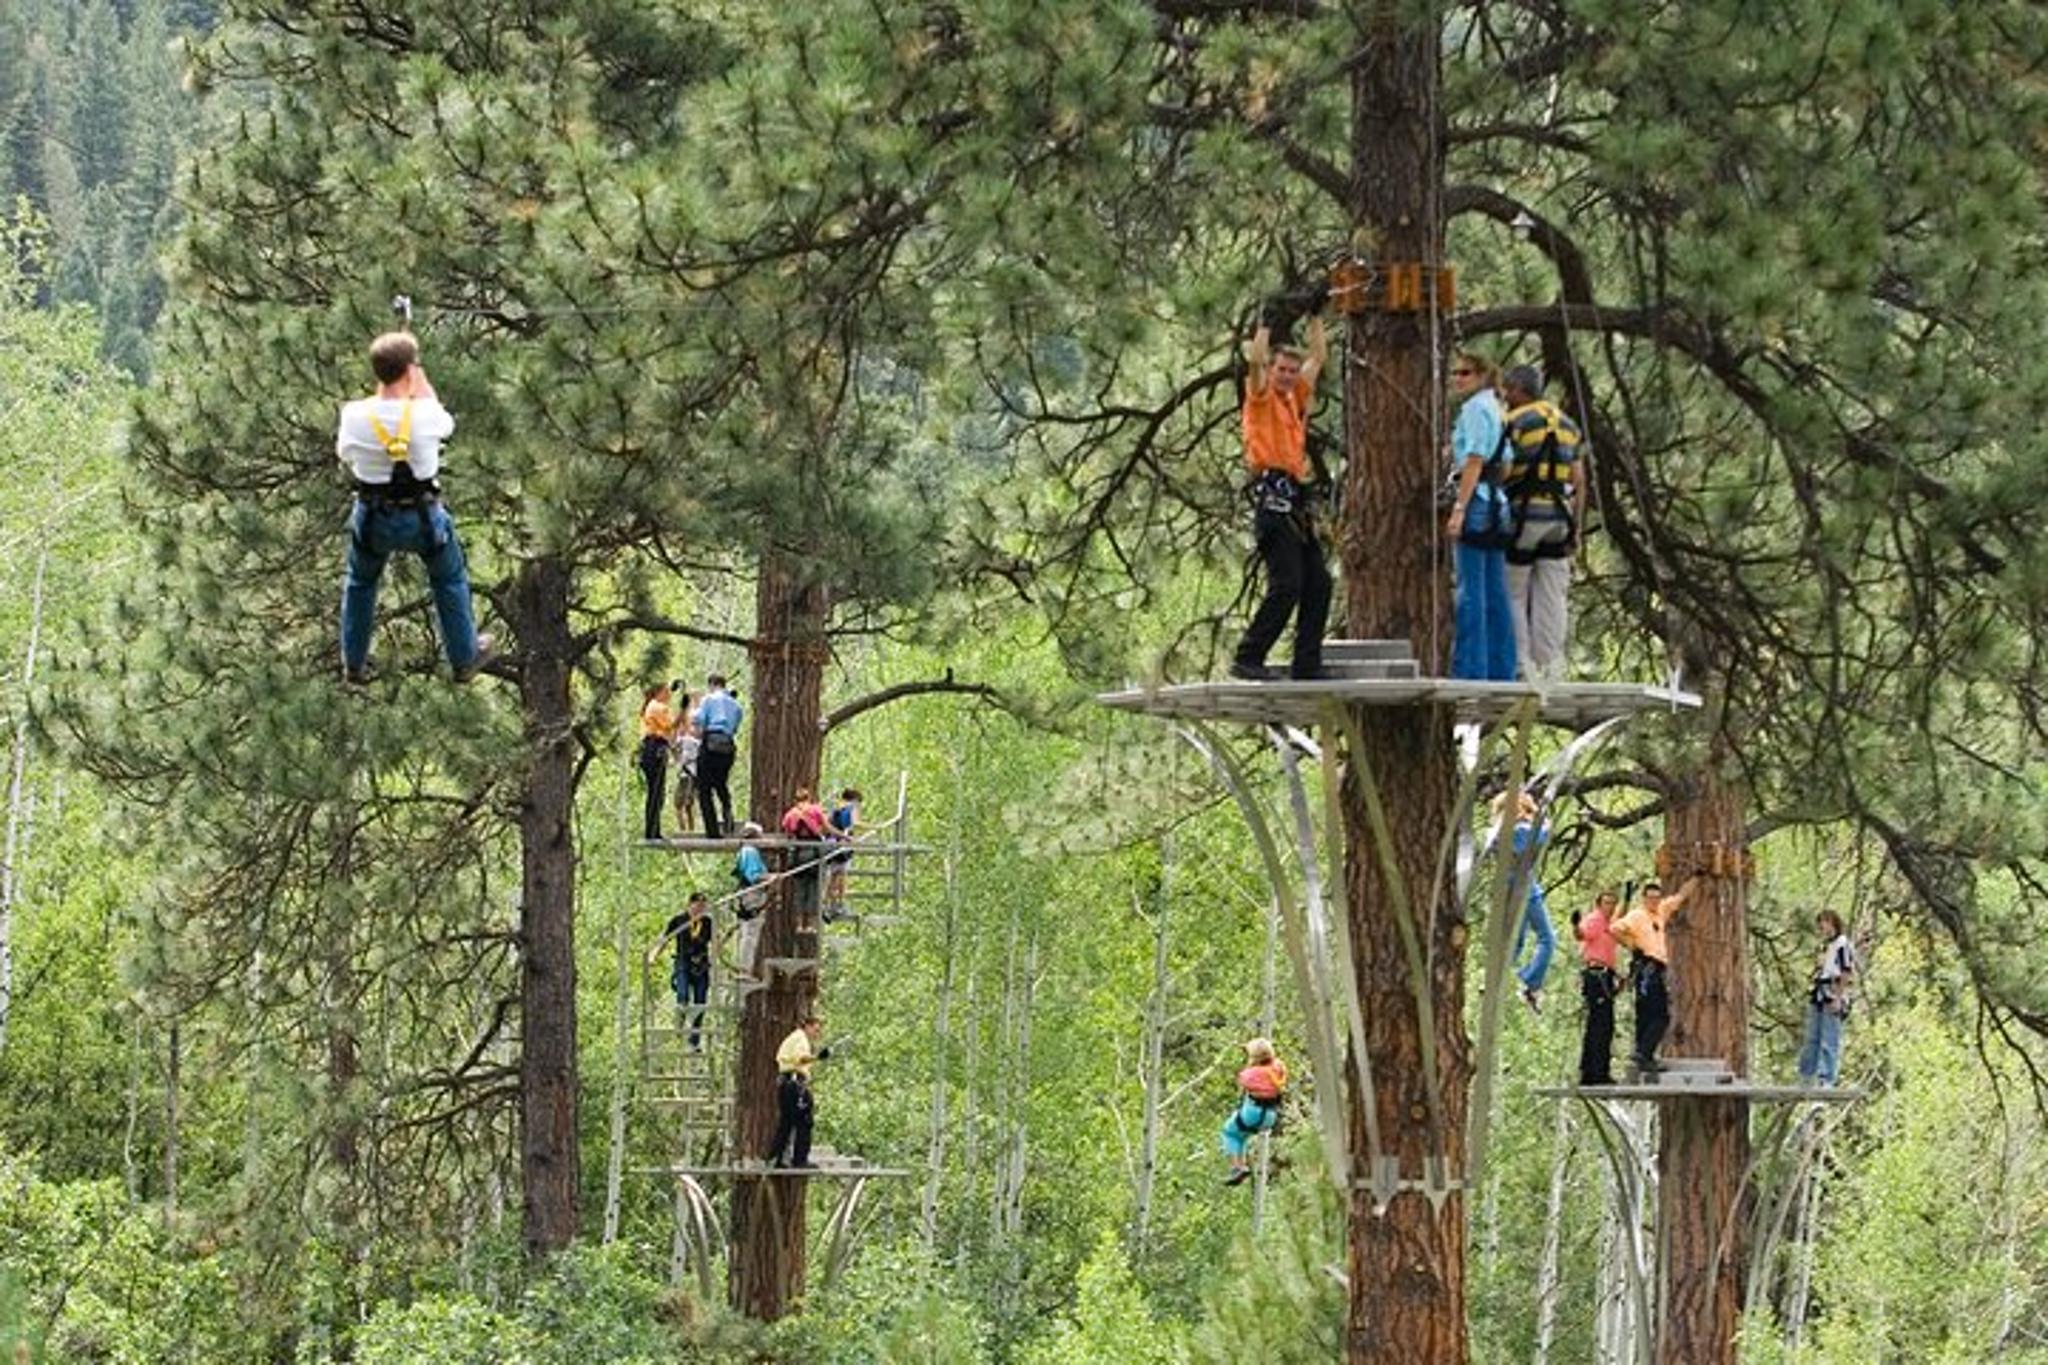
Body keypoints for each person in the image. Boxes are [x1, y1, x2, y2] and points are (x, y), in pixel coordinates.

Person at [337, 331, 493, 685]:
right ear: (410, 371)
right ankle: (464, 657)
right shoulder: (425, 413)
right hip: (423, 518)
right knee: (448, 579)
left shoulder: (354, 415)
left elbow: (345, 454)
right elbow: (446, 425)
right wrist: (420, 385)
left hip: (373, 517)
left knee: (361, 582)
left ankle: (354, 663)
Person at [1230, 316, 1333, 683]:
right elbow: (1256, 361)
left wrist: (1317, 317)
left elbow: (1318, 358)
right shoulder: (1260, 399)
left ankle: (1307, 663)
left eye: (1292, 370)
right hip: (1273, 498)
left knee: (1319, 582)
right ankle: (1249, 655)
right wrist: (1266, 326)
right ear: (1272, 372)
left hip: (1294, 500)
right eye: (1282, 370)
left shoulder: (1293, 400)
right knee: (1287, 583)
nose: (1288, 376)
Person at [1498, 366, 1587, 681]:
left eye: (1507, 390)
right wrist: (1576, 527)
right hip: (1558, 519)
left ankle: (1521, 667)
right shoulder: (1568, 425)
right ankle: (1549, 669)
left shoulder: (1515, 422)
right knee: (1552, 595)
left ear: (1518, 390)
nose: (1505, 397)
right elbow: (1579, 480)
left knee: (1514, 592)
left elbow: (1504, 469)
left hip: (1523, 517)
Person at [1444, 352, 1516, 681]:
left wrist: (1460, 506)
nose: (1458, 379)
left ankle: (1470, 670)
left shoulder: (1474, 409)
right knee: (1495, 590)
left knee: (1470, 589)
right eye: (1455, 373)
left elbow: (1473, 459)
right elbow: (1507, 462)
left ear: (1482, 376)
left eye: (1465, 373)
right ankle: (1501, 668)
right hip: (1497, 502)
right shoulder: (1498, 408)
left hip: (1476, 503)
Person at [1611, 876, 1698, 1079]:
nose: (1654, 901)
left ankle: (1643, 1057)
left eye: (1657, 898)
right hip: (1647, 967)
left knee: (1648, 1014)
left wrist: (1697, 877)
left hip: (1657, 967)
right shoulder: (1637, 916)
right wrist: (1632, 945)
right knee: (1660, 1015)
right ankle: (1643, 1053)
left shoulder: (1661, 911)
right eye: (1650, 898)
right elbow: (1614, 928)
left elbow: (1680, 896)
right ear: (1644, 899)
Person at [1503, 791, 1554, 1014]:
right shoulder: (1519, 831)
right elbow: (1542, 834)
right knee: (1547, 938)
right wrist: (1540, 816)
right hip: (1522, 888)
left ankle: (1503, 978)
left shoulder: (1502, 831)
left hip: (1516, 887)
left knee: (1517, 942)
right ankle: (1530, 982)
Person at [649, 891, 716, 1050]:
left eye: (703, 906)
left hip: (702, 964)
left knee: (701, 1003)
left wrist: (715, 958)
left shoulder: (707, 922)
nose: (700, 909)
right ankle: (680, 1018)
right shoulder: (679, 920)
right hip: (683, 962)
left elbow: (716, 941)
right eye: (697, 906)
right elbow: (665, 939)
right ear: (689, 905)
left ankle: (694, 1041)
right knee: (683, 995)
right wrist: (653, 955)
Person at [1797, 910, 1857, 1087]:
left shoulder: (1842, 944)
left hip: (1832, 991)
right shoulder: (1827, 946)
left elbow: (1846, 971)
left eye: (1825, 922)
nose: (1822, 927)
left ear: (1833, 923)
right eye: (1820, 923)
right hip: (1819, 992)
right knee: (1812, 1038)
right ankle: (1806, 1076)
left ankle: (1826, 1079)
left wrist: (1838, 997)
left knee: (1829, 1038)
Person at [1222, 1038, 1288, 1186]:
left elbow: (1243, 1079)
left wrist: (1251, 1063)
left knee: (1229, 1132)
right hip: (1270, 1117)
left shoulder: (1251, 1074)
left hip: (1252, 1113)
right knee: (1241, 1136)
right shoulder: (1278, 1068)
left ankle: (1236, 1167)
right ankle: (1241, 1166)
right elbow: (1274, 1064)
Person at [767, 1014, 831, 1168]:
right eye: (816, 1030)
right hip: (794, 1084)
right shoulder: (800, 1038)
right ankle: (799, 1159)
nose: (817, 1034)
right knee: (805, 1121)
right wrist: (817, 1057)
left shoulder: (794, 1038)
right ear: (807, 1026)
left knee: (787, 1122)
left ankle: (776, 1158)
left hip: (787, 1084)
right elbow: (800, 1059)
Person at [1573, 890, 1622, 1085]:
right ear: (1599, 904)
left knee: (1604, 1025)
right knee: (1600, 1024)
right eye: (1606, 903)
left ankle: (1596, 1071)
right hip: (1596, 976)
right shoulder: (1595, 920)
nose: (1609, 907)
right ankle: (1594, 1073)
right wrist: (1575, 925)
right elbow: (1581, 935)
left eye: (1612, 903)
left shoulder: (1610, 923)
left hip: (1606, 975)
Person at [693, 675, 743, 836]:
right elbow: (735, 728)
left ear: (712, 685)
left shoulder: (708, 699)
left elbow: (699, 721)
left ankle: (712, 830)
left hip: (711, 744)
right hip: (727, 747)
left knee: (704, 789)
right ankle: (728, 816)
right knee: (721, 783)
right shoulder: (736, 706)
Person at [730, 823, 770, 979]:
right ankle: (744, 970)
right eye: (760, 837)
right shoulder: (750, 851)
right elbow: (754, 876)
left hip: (748, 894)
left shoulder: (744, 851)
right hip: (752, 895)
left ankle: (742, 969)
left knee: (746, 932)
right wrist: (771, 877)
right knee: (750, 933)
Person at [637, 682, 675, 841]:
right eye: (667, 692)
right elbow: (671, 725)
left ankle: (654, 830)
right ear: (659, 692)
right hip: (654, 749)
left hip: (651, 750)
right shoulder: (657, 707)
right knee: (656, 793)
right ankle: (652, 832)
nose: (669, 695)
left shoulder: (653, 706)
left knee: (656, 792)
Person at [824, 787, 863, 921]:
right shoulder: (852, 809)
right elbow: (855, 824)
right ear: (855, 800)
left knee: (832, 876)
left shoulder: (835, 810)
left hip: (833, 844)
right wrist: (875, 827)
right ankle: (839, 905)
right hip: (845, 845)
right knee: (842, 876)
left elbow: (827, 825)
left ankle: (828, 905)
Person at [669, 686, 700, 836]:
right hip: (686, 774)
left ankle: (689, 833)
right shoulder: (685, 740)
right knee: (681, 806)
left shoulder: (693, 741)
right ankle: (686, 832)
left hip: (689, 775)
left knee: (686, 805)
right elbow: (673, 743)